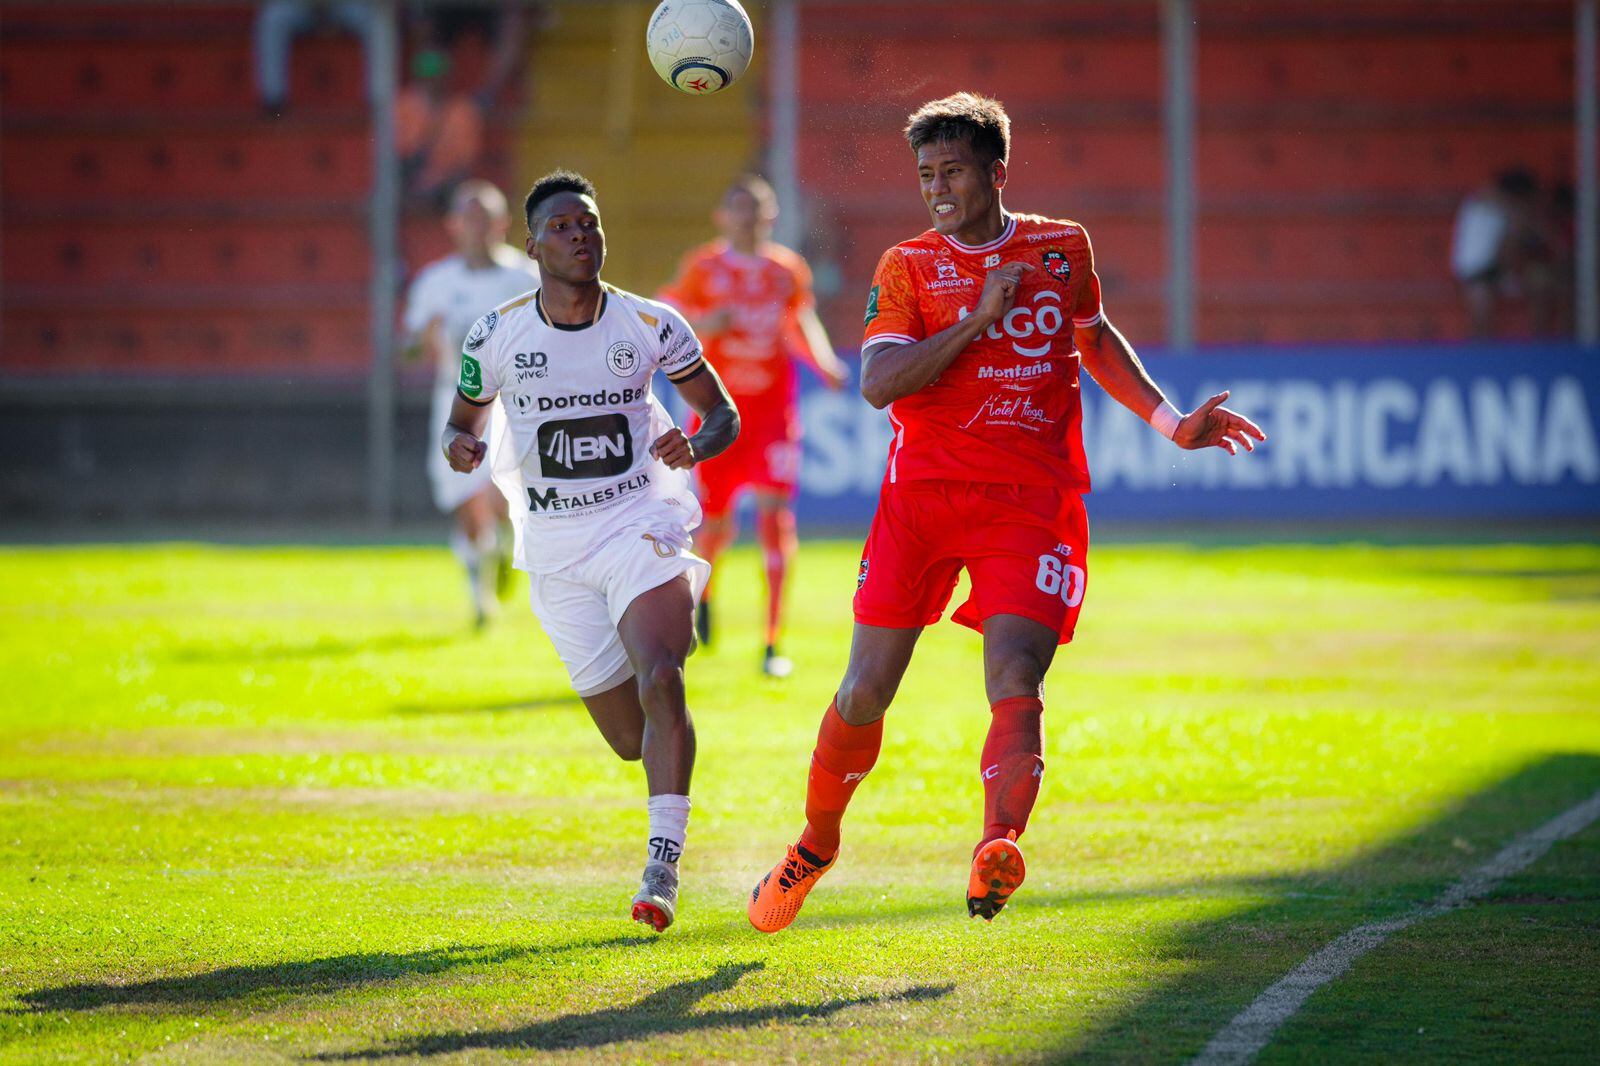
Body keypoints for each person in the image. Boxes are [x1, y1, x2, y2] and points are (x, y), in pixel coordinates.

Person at [747, 93, 1265, 932]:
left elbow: (1093, 335)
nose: (937, 189)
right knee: (865, 689)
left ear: (997, 172)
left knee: (1016, 675)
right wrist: (980, 320)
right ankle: (816, 843)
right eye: (926, 174)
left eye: (952, 171)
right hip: (922, 498)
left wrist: (1171, 423)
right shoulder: (907, 265)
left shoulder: (1063, 248)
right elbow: (879, 384)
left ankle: (998, 845)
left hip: (1030, 502)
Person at [443, 170, 739, 932]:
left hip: (639, 520)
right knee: (630, 739)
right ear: (533, 246)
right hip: (556, 548)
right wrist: (459, 447)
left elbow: (721, 414)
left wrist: (696, 441)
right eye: (564, 227)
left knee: (663, 675)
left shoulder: (651, 324)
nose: (582, 236)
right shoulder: (496, 334)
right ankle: (668, 753)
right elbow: (462, 421)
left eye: (590, 224)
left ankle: (662, 866)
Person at [659, 175, 848, 677]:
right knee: (716, 525)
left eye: (757, 208)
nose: (747, 218)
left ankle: (771, 642)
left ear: (771, 216)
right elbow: (667, 315)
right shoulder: (703, 267)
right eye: (738, 208)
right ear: (722, 216)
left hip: (771, 416)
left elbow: (799, 320)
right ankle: (705, 596)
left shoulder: (786, 270)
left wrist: (824, 363)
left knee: (774, 517)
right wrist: (706, 324)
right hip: (718, 413)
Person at [402, 180, 538, 627]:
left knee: (500, 495)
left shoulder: (525, 278)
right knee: (464, 497)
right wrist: (424, 339)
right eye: (470, 218)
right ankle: (482, 595)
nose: (478, 227)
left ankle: (501, 549)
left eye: (487, 218)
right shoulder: (436, 282)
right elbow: (408, 347)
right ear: (453, 225)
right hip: (455, 398)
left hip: (513, 403)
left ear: (504, 223)